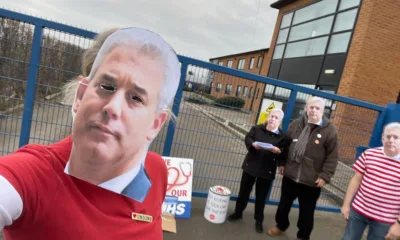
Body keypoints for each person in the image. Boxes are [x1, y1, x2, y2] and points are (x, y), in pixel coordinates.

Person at [0, 27, 181, 239]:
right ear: (81, 95)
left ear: (155, 125)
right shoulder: (30, 176)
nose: (113, 107)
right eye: (106, 86)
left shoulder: (156, 171)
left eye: (136, 98)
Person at [267, 96, 339, 240]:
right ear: (306, 108)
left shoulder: (329, 130)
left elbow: (332, 156)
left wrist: (325, 176)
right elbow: (285, 145)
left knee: (307, 212)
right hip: (291, 175)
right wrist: (282, 163)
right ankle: (280, 225)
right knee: (283, 205)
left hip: (311, 180)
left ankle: (303, 236)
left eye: (317, 108)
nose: (313, 110)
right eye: (311, 107)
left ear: (322, 111)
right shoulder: (296, 124)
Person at [227, 108, 288, 233]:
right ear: (268, 116)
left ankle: (258, 220)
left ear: (280, 121)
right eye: (272, 116)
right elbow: (248, 138)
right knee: (243, 192)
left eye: (276, 118)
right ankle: (238, 213)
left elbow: (283, 152)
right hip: (251, 165)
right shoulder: (257, 128)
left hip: (267, 170)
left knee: (261, 197)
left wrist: (278, 151)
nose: (273, 119)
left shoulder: (282, 136)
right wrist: (253, 144)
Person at [341, 122, 400, 240]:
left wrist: (398, 224)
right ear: (383, 139)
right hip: (359, 211)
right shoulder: (369, 154)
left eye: (396, 137)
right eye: (388, 136)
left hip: (386, 220)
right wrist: (346, 204)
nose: (391, 140)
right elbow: (356, 180)